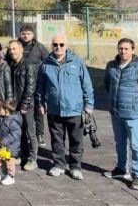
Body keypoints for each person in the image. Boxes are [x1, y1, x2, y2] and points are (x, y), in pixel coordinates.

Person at [36, 34, 94, 180]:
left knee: (76, 141)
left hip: (74, 109)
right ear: (51, 46)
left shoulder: (77, 62)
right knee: (57, 140)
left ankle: (75, 167)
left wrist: (89, 104)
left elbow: (86, 85)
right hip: (55, 110)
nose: (58, 47)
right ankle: (59, 165)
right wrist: (41, 103)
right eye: (55, 44)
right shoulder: (46, 65)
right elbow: (40, 87)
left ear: (66, 46)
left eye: (61, 44)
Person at [103, 38, 138, 191]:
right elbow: (108, 86)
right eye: (120, 48)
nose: (123, 51)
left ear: (132, 50)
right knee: (120, 142)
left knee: (136, 145)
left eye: (126, 49)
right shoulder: (111, 66)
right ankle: (121, 169)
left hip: (134, 115)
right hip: (116, 112)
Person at [7, 40, 39, 171]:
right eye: (10, 49)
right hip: (15, 105)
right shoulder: (11, 65)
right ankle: (21, 155)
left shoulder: (28, 65)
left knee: (30, 132)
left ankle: (32, 159)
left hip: (27, 105)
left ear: (21, 50)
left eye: (14, 49)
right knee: (18, 132)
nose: (12, 52)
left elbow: (31, 87)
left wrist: (25, 105)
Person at [18, 24, 48, 147]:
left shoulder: (40, 48)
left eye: (28, 33)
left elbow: (47, 64)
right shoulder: (16, 46)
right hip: (20, 84)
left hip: (37, 84)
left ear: (33, 34)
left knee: (38, 109)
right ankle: (23, 133)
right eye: (23, 33)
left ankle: (39, 134)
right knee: (21, 109)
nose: (26, 36)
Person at [0, 100, 23, 186]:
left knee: (10, 163)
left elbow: (16, 134)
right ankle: (4, 174)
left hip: (10, 147)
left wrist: (3, 141)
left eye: (0, 108)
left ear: (6, 111)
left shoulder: (13, 121)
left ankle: (11, 177)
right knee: (3, 161)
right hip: (2, 146)